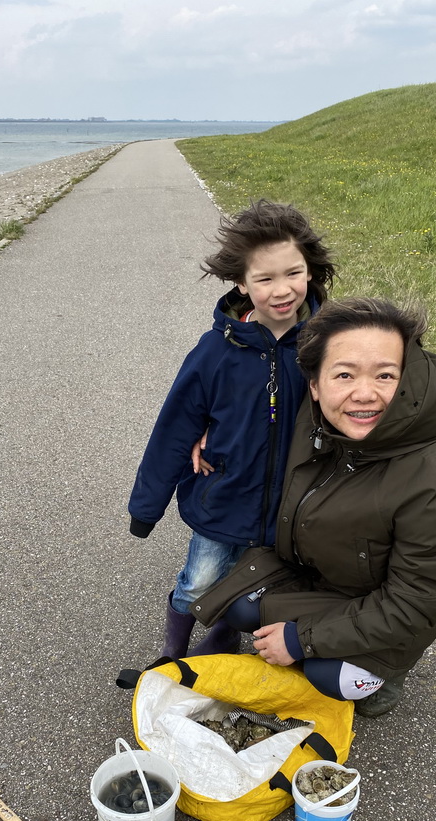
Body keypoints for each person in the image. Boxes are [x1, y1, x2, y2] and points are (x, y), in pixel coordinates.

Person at [190, 297, 436, 717]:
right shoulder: (315, 419)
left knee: (331, 678)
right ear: (315, 385)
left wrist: (300, 640)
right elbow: (254, 408)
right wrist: (208, 432)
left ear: (408, 381)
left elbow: (417, 602)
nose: (365, 394)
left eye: (385, 375)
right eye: (344, 374)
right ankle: (326, 643)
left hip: (397, 606)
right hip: (328, 578)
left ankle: (387, 674)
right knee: (238, 607)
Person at [128, 199, 336, 660]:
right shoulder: (214, 352)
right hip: (223, 497)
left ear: (310, 271)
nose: (282, 290)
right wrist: (147, 507)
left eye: (293, 273)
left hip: (296, 505)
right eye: (264, 279)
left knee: (271, 587)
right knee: (199, 583)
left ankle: (247, 640)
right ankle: (171, 654)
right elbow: (175, 426)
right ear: (241, 283)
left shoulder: (331, 343)